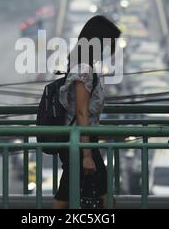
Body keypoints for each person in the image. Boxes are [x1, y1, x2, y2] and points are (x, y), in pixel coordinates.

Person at [52, 15, 121, 209]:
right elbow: (81, 113)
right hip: (79, 143)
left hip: (79, 142)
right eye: (109, 44)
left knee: (73, 192)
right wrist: (87, 155)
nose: (110, 50)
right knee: (71, 195)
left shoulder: (82, 66)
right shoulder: (83, 69)